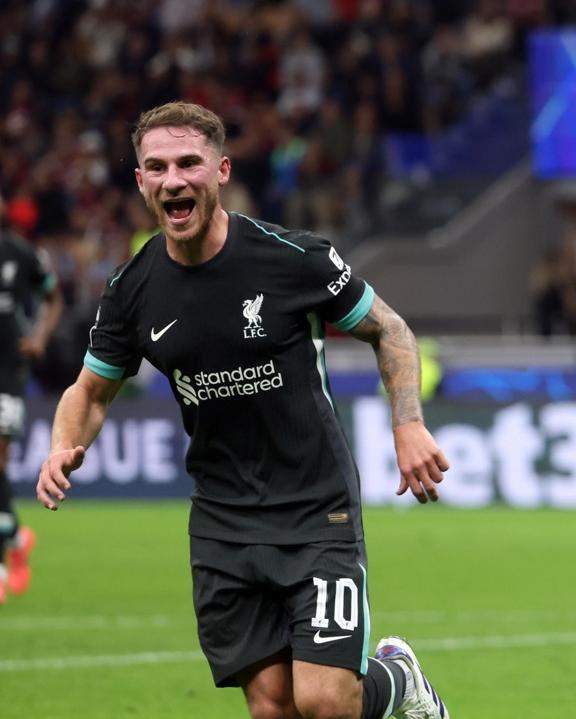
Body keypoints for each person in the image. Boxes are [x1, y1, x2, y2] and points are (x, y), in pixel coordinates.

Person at [35, 102, 449, 719]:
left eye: (188, 163)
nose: (173, 178)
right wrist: (64, 444)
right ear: (142, 182)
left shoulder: (292, 258)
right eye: (156, 166)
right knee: (272, 708)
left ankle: (399, 682)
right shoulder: (131, 290)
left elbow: (389, 330)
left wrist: (408, 422)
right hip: (223, 521)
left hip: (316, 509)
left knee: (325, 703)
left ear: (221, 170)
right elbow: (90, 391)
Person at [0, 190, 62, 605]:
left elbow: (53, 297)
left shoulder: (20, 254)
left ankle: (5, 558)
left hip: (7, 372)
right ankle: (15, 536)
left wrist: (39, 336)